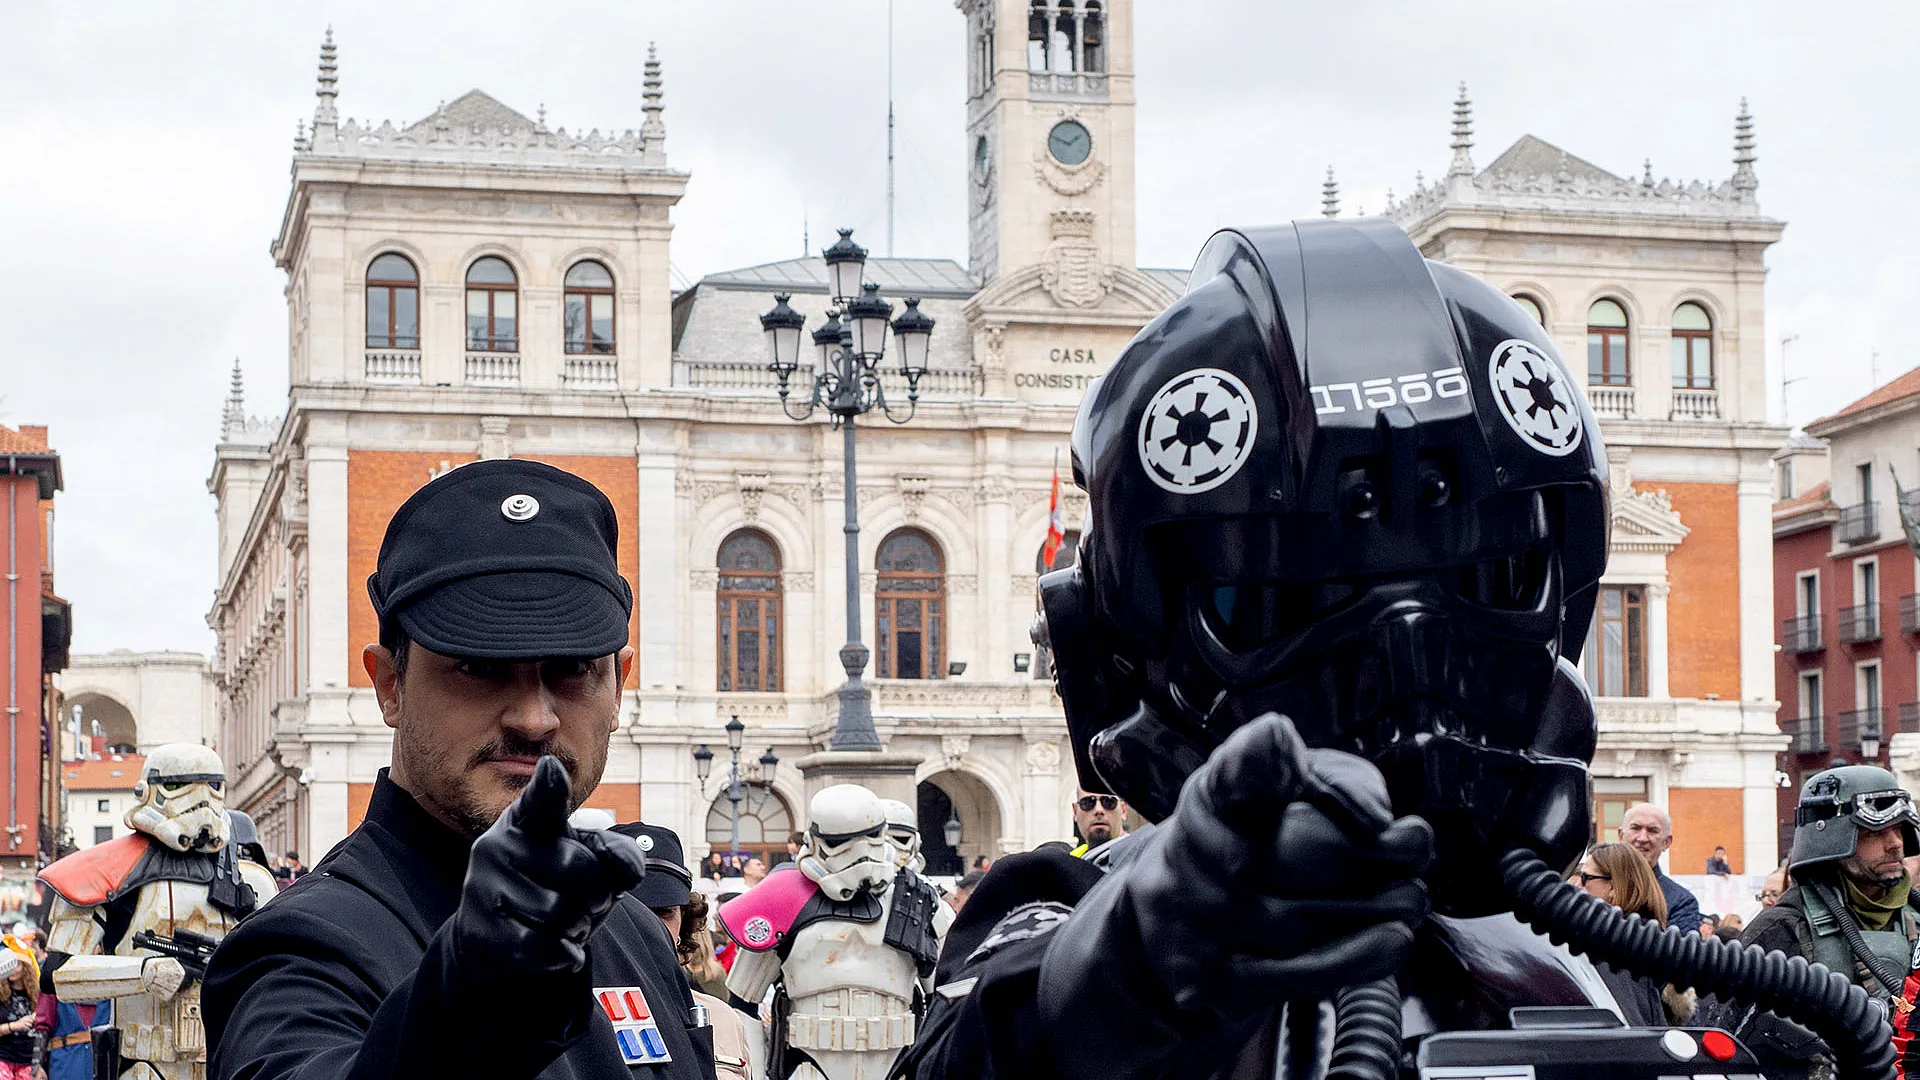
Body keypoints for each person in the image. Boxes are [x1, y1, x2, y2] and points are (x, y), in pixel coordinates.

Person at [900, 219, 1836, 1079]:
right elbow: (978, 1040)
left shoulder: (1576, 949)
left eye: (1484, 584)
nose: (1409, 673)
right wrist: (1142, 955)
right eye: (1285, 599)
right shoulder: (1076, 914)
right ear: (1125, 646)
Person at [202, 459, 712, 1079]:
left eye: (572, 669)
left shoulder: (632, 926)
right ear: (390, 685)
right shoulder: (300, 948)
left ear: (619, 686)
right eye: (478, 667)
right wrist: (478, 995)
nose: (533, 718)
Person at [38, 743, 276, 1080]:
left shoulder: (251, 883)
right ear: (149, 791)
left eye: (213, 787)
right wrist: (143, 972)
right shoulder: (110, 875)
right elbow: (58, 975)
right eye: (180, 787)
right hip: (143, 1062)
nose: (202, 800)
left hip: (230, 1057)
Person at [719, 784, 941, 1080]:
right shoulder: (781, 899)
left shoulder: (917, 899)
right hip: (808, 1067)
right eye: (841, 842)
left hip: (897, 1063)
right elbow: (742, 1006)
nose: (859, 852)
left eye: (870, 837)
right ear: (817, 841)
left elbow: (943, 999)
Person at [1731, 765, 1920, 1078]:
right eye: (1875, 832)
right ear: (1833, 840)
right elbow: (1726, 1044)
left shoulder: (1915, 922)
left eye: (1899, 829)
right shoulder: (1781, 930)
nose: (1895, 843)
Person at [612, 821, 765, 1080]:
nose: (649, 927)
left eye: (663, 912)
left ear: (684, 916)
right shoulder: (559, 1022)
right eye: (629, 912)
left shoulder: (722, 1019)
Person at [1570, 842, 1667, 1026]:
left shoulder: (1613, 947)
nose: (1577, 885)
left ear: (1614, 886)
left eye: (1585, 877)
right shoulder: (1649, 941)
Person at [1619, 803, 1702, 941]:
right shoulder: (1596, 884)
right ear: (1621, 835)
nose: (1642, 838)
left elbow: (1681, 957)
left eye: (1652, 831)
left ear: (1667, 842)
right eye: (1636, 828)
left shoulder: (1681, 902)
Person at [0, 942, 38, 1080]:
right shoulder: (1, 994)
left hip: (28, 1059)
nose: (13, 969)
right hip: (4, 1057)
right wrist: (14, 1026)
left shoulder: (37, 995)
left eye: (17, 964)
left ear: (26, 967)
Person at [1067, 789, 1126, 858]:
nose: (1098, 810)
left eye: (1108, 802)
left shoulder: (1139, 857)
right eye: (1087, 803)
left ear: (1123, 810)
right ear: (1075, 812)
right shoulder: (1070, 861)